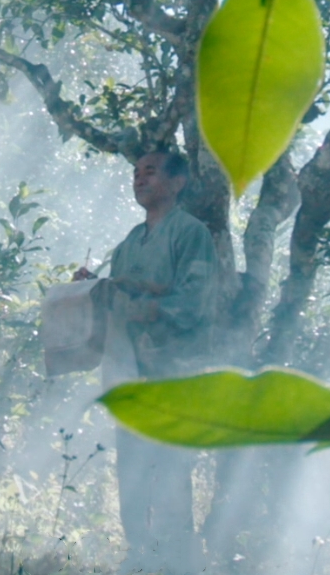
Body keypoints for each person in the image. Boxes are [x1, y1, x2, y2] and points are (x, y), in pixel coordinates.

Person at [74, 149, 218, 574]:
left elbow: (194, 303)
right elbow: (115, 301)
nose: (139, 179)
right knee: (133, 467)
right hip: (127, 373)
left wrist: (145, 306)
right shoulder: (128, 243)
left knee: (170, 467)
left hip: (172, 374)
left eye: (150, 172)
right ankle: (138, 557)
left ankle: (176, 562)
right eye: (136, 173)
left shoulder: (190, 233)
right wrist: (92, 289)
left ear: (177, 183)